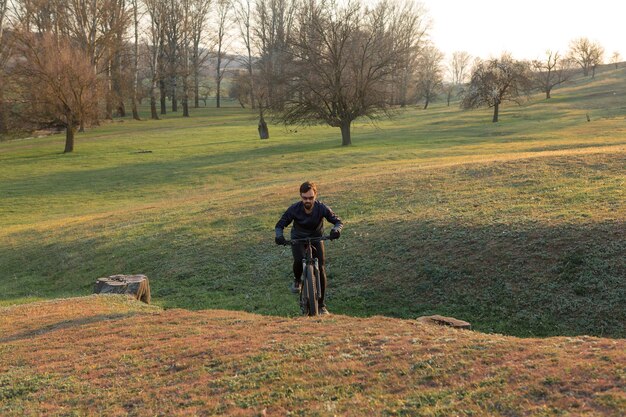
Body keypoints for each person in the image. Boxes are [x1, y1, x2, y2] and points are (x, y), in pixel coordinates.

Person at [275, 181, 344, 315]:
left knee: (322, 268)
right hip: (298, 238)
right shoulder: (294, 209)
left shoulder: (322, 208)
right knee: (299, 260)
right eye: (305, 198)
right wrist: (279, 236)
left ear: (315, 196)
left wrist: (336, 230)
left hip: (317, 238)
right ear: (300, 196)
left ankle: (322, 306)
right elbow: (280, 225)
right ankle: (297, 280)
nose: (308, 200)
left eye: (311, 198)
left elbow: (338, 221)